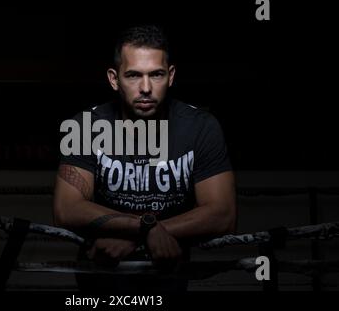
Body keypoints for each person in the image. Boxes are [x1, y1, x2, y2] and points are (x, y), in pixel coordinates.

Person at [53, 25, 236, 292]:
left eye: (156, 75)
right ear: (114, 79)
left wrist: (138, 233)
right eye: (134, 75)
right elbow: (65, 210)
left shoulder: (201, 126)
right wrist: (145, 228)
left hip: (167, 276)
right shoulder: (86, 126)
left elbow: (223, 214)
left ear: (170, 76)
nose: (146, 88)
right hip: (103, 276)